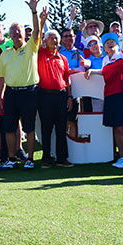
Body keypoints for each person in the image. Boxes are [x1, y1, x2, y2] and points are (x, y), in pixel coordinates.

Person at [0, 0, 44, 170]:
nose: (16, 33)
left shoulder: (32, 46)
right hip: (11, 93)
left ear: (24, 34)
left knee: (29, 127)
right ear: (9, 34)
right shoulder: (5, 53)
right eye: (13, 31)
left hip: (29, 92)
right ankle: (11, 158)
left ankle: (30, 159)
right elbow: (1, 77)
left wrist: (34, 11)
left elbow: (38, 32)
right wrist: (0, 97)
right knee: (9, 128)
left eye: (19, 31)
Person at [84, 10, 123, 168]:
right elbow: (104, 72)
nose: (110, 44)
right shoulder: (106, 59)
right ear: (103, 47)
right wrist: (93, 71)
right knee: (114, 128)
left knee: (121, 128)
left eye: (112, 41)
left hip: (121, 95)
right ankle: (120, 156)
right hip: (110, 96)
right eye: (106, 43)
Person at [37, 27, 74, 168]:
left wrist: (69, 96)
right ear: (45, 40)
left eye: (56, 38)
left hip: (61, 96)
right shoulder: (40, 53)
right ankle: (46, 158)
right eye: (51, 38)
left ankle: (62, 158)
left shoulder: (63, 58)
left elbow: (67, 78)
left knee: (61, 129)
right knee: (46, 129)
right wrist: (40, 20)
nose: (55, 40)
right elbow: (37, 37)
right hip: (45, 96)